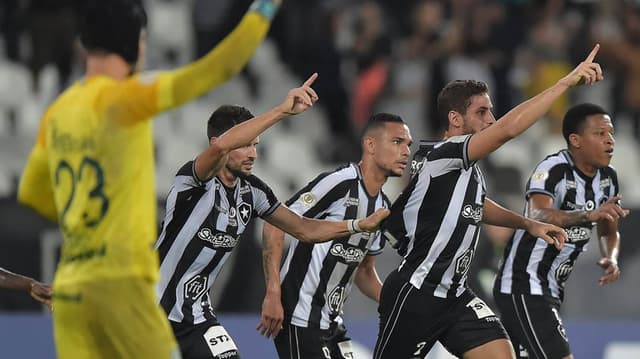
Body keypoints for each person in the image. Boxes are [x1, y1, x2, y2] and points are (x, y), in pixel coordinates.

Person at [16, 0, 282, 357]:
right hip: (123, 288)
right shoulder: (129, 97)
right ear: (131, 43)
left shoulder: (59, 112)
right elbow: (222, 66)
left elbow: (34, 192)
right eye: (142, 38)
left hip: (72, 290)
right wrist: (266, 6)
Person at [373, 44, 604, 359]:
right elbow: (508, 130)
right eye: (481, 112)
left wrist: (528, 224)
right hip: (417, 293)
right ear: (455, 119)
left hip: (456, 296)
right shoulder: (443, 156)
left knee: (500, 353)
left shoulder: (467, 169)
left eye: (491, 110)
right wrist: (565, 83)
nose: (491, 119)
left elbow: (476, 206)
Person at [155, 74, 390, 359]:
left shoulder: (252, 192)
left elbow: (303, 229)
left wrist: (355, 225)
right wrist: (281, 111)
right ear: (220, 141)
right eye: (245, 145)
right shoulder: (193, 183)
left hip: (197, 317)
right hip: (151, 310)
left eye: (255, 145)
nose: (253, 153)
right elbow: (219, 150)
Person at [257, 113, 413, 358]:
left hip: (332, 324)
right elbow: (275, 223)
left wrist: (397, 302)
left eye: (408, 145)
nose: (405, 151)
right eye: (397, 142)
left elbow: (364, 271)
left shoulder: (383, 206)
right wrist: (273, 293)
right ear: (370, 145)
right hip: (299, 318)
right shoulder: (339, 183)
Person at [493, 103, 628, 359]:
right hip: (524, 284)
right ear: (575, 140)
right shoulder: (553, 169)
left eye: (611, 134)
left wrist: (610, 256)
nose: (610, 141)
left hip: (551, 288)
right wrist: (588, 215)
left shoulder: (608, 178)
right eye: (600, 134)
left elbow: (609, 229)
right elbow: (537, 215)